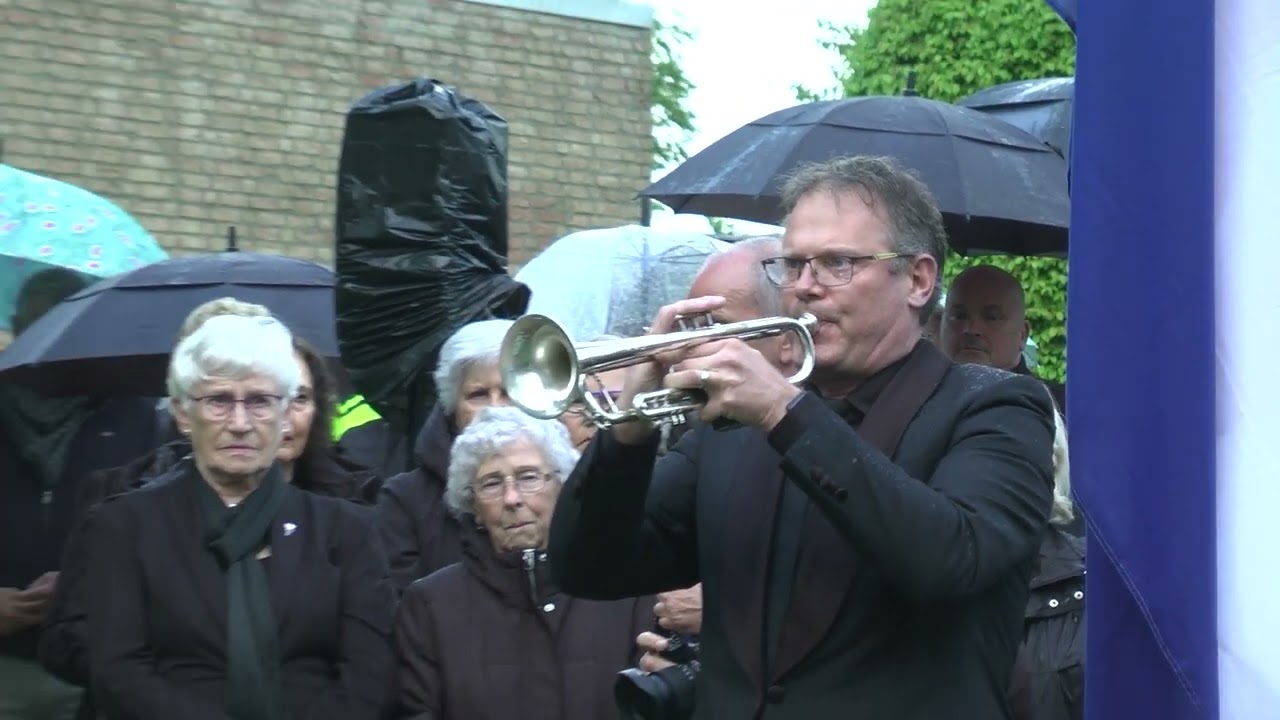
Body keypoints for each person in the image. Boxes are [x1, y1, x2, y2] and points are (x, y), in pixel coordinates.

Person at [547, 155, 1056, 718]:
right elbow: (588, 567)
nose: (805, 288)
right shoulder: (732, 426)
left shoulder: (994, 406)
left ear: (917, 280)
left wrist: (784, 412)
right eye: (793, 265)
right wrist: (628, 430)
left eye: (837, 263)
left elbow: (952, 561)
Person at [79, 314, 397, 719]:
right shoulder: (125, 526)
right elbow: (120, 673)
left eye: (260, 401)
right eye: (218, 401)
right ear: (182, 413)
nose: (240, 423)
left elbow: (370, 674)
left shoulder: (345, 529)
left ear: (285, 413)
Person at [395, 407, 652, 719]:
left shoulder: (624, 589)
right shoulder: (431, 605)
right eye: (491, 483)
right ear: (474, 507)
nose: (512, 498)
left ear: (562, 486)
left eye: (528, 477)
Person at [0, 268, 160, 720]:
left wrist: (86, 587)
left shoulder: (134, 414)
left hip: (96, 665)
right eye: (36, 328)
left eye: (60, 329)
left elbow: (158, 533)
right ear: (17, 327)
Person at [376, 319, 515, 592]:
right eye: (478, 395)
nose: (495, 409)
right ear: (452, 409)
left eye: (509, 392)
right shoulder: (404, 500)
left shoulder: (566, 482)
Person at [941, 264, 1066, 413]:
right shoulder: (921, 397)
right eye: (959, 316)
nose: (972, 329)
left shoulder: (1057, 408)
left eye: (991, 318)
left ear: (1022, 334)